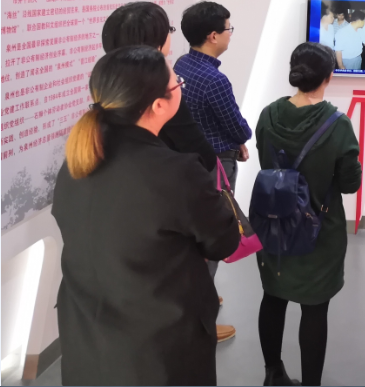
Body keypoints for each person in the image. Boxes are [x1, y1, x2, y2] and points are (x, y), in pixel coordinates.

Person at [53, 46, 240, 385]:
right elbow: (223, 242)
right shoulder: (177, 172)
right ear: (158, 105)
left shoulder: (77, 161)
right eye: (177, 83)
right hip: (158, 350)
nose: (180, 87)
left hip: (88, 342)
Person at [256, 43, 362, 386]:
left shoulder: (268, 115)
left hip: (273, 223)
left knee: (273, 296)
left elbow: (265, 162)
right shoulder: (337, 124)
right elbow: (350, 183)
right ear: (329, 76)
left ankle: (273, 373)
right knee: (315, 308)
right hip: (319, 230)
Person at [174, 0, 251, 342]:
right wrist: (241, 139)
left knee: (192, 237)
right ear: (213, 35)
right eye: (229, 29)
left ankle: (199, 296)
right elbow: (238, 126)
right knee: (214, 236)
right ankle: (200, 322)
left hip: (187, 161)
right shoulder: (215, 80)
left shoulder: (182, 65)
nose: (231, 34)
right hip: (216, 164)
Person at [101, 1, 216, 171]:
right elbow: (203, 155)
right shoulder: (161, 88)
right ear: (155, 44)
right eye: (168, 30)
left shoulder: (105, 84)